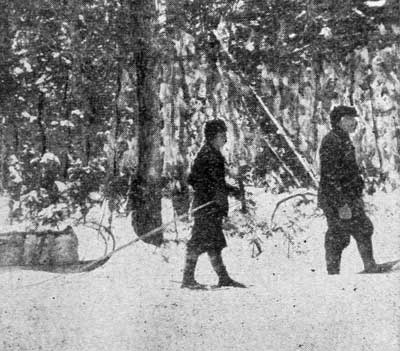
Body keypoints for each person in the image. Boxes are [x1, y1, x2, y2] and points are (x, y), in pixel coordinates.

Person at [181, 119, 246, 289]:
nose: (225, 139)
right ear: (213, 137)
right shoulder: (207, 156)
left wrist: (230, 190)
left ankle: (222, 277)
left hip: (211, 207)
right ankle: (188, 279)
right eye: (222, 135)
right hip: (206, 208)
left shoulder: (213, 154)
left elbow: (216, 182)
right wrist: (210, 195)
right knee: (199, 243)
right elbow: (194, 180)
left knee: (213, 244)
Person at [318, 105, 382, 274]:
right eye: (350, 119)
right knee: (339, 236)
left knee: (363, 228)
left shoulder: (343, 138)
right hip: (336, 199)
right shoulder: (331, 141)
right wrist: (341, 204)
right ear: (340, 121)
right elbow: (329, 176)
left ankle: (370, 265)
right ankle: (333, 273)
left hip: (348, 197)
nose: (354, 123)